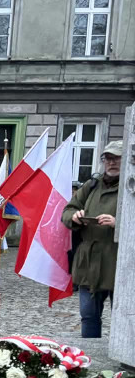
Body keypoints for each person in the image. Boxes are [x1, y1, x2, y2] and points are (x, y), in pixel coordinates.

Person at [63, 140, 120, 338]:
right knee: (88, 315)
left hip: (118, 261)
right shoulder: (91, 185)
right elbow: (68, 210)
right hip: (88, 260)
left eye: (117, 158)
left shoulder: (130, 187)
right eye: (108, 158)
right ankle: (89, 357)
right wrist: (75, 217)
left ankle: (123, 358)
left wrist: (118, 223)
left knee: (124, 318)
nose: (112, 163)